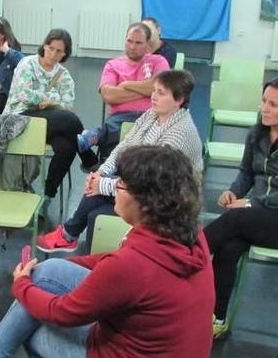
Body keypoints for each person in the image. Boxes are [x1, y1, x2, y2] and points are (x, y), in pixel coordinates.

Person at [0, 145, 213, 358]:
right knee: (48, 273)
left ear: (146, 202)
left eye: (121, 185)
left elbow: (63, 312)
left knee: (30, 327)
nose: (114, 188)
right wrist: (58, 270)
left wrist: (22, 286)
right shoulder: (187, 234)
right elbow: (115, 261)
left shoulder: (132, 267)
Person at [204, 77, 278, 339]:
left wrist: (249, 203)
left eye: (273, 104)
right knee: (229, 245)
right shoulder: (257, 134)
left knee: (235, 220)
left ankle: (182, 260)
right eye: (263, 101)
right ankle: (217, 318)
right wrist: (233, 192)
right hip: (261, 214)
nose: (265, 108)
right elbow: (246, 173)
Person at [38, 69, 203, 253]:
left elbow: (150, 182)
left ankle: (70, 236)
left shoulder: (179, 134)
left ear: (179, 100)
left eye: (161, 93)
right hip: (144, 185)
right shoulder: (153, 114)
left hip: (165, 200)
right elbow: (125, 145)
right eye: (154, 90)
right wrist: (102, 172)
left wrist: (104, 185)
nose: (153, 96)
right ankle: (70, 236)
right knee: (96, 194)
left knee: (96, 202)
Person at [3, 28, 98, 209]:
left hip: (50, 123)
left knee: (67, 147)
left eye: (59, 51)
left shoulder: (64, 76)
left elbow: (68, 104)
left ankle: (47, 196)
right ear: (44, 45)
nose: (53, 54)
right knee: (69, 121)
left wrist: (47, 102)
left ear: (65, 54)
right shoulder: (27, 64)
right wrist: (50, 101)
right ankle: (89, 159)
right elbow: (24, 95)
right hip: (20, 118)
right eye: (51, 48)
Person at [79, 23, 170, 161]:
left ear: (147, 45)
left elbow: (161, 87)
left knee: (138, 133)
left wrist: (126, 84)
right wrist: (148, 89)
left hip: (152, 115)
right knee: (116, 130)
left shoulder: (159, 61)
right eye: (129, 41)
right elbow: (109, 96)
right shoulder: (112, 65)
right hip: (120, 117)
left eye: (138, 42)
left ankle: (98, 136)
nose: (133, 46)